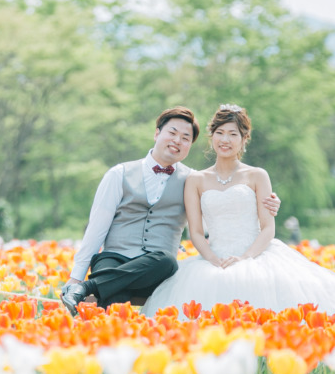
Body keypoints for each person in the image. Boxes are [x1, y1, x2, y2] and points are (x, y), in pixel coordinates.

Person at [140, 104, 335, 319]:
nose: (225, 140)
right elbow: (196, 232)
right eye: (220, 133)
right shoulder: (195, 180)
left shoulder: (257, 175)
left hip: (257, 254)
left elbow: (268, 228)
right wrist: (213, 259)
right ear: (212, 137)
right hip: (213, 258)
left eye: (233, 134)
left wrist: (245, 258)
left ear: (244, 139)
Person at [58, 106, 280, 315]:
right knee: (117, 300)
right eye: (172, 133)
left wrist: (264, 202)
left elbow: (216, 216)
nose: (177, 141)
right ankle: (93, 307)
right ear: (156, 133)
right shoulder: (119, 173)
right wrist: (76, 277)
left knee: (167, 261)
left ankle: (89, 290)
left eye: (185, 138)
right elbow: (96, 229)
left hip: (156, 266)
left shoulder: (192, 180)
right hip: (114, 260)